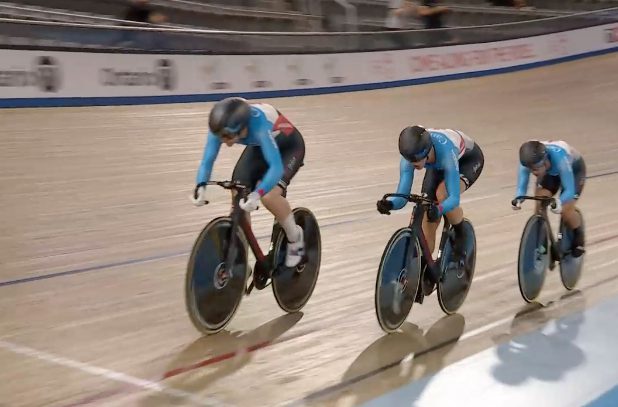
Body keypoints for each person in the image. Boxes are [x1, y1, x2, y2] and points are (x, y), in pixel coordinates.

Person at [191, 97, 306, 267]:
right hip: (262, 146)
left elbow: (275, 168)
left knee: (269, 196)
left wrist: (257, 194)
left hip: (289, 147)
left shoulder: (259, 126)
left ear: (243, 127)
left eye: (229, 137)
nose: (224, 141)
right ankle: (239, 256)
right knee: (238, 190)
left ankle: (296, 238)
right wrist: (200, 185)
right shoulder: (220, 127)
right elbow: (207, 161)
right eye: (221, 137)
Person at [377, 125, 484, 282]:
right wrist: (390, 204)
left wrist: (440, 208)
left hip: (467, 160)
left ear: (426, 152)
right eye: (410, 161)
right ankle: (425, 266)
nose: (414, 164)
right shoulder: (410, 157)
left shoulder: (446, 152)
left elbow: (454, 199)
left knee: (442, 194)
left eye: (417, 160)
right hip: (437, 163)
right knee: (428, 217)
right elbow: (403, 196)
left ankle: (461, 234)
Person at [512, 140, 586, 256]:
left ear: (545, 159)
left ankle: (578, 233)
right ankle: (542, 240)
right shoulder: (528, 161)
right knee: (540, 202)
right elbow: (522, 187)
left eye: (535, 168)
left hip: (574, 171)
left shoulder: (560, 159)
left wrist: (560, 202)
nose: (533, 172)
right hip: (550, 173)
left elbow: (569, 190)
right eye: (530, 169)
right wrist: (518, 199)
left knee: (566, 210)